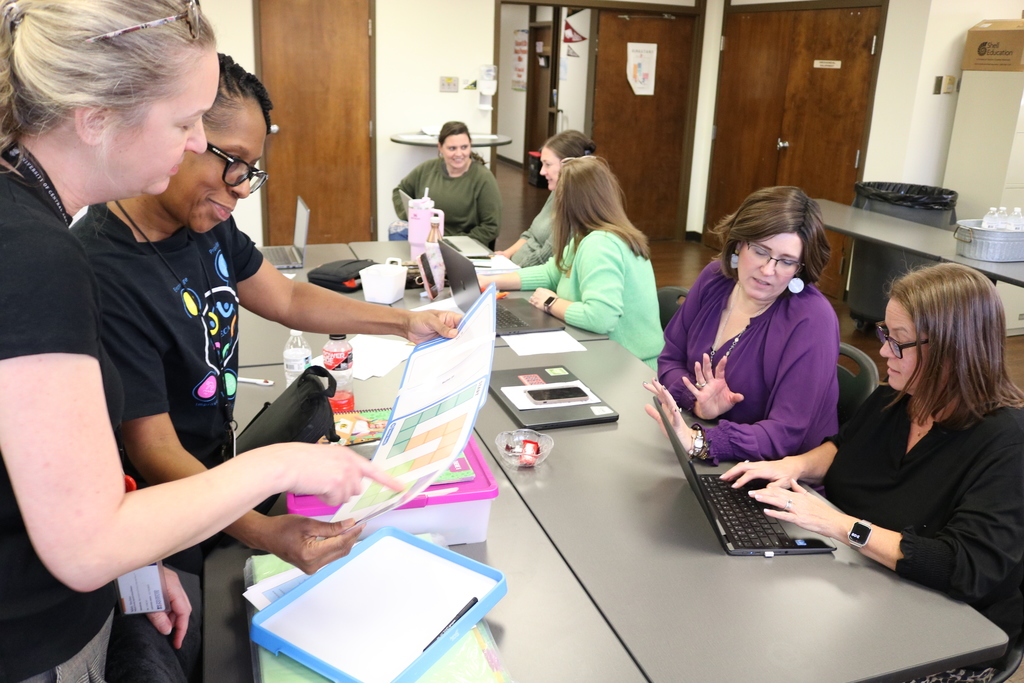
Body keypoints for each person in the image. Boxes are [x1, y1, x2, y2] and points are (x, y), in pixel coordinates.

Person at [0, 3, 399, 682]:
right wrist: (277, 468)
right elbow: (86, 541)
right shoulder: (42, 257)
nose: (193, 145)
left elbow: (56, 479)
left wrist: (133, 559)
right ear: (97, 116)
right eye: (184, 122)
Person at [73, 54, 460, 576]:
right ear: (181, 136)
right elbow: (154, 449)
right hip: (169, 511)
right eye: (230, 161)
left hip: (223, 470)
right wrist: (263, 529)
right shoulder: (103, 268)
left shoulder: (204, 222)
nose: (238, 188)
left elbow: (288, 299)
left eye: (249, 172)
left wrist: (402, 323)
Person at [723, 263, 1024, 683]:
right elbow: (844, 447)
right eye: (885, 334)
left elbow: (965, 567)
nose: (883, 352)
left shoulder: (1007, 444)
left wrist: (843, 526)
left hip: (951, 634)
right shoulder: (900, 394)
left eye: (897, 342)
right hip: (865, 587)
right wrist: (791, 466)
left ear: (951, 351)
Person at [646, 186, 839, 464]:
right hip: (699, 440)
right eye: (761, 251)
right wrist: (698, 404)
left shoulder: (812, 320)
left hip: (773, 477)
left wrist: (701, 441)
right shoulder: (715, 279)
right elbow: (669, 360)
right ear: (739, 242)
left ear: (801, 267)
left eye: (786, 262)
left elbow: (785, 435)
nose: (769, 270)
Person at [479, 155, 663, 368]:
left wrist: (550, 303)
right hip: (606, 354)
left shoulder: (601, 245)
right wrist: (490, 280)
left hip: (627, 365)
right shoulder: (588, 235)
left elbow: (600, 318)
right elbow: (551, 273)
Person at [392, 120, 502, 247]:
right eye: (452, 148)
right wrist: (413, 216)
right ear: (440, 147)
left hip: (462, 243)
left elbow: (491, 226)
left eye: (464, 147)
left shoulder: (483, 178)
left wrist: (453, 244)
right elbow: (399, 191)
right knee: (396, 229)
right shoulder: (427, 169)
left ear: (470, 145)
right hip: (427, 235)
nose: (459, 154)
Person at [494, 130, 596, 267]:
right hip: (514, 268)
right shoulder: (557, 191)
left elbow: (545, 258)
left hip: (526, 275)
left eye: (547, 164)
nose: (541, 171)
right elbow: (531, 233)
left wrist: (509, 273)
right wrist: (506, 254)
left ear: (568, 164)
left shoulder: (577, 205)